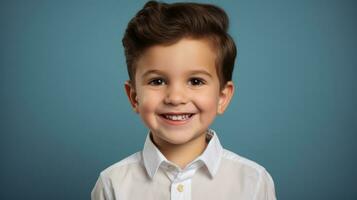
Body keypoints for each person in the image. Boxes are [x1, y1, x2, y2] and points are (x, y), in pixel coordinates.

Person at [91, 1, 276, 199]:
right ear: (134, 96)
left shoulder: (254, 181)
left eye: (195, 81)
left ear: (222, 97)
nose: (175, 98)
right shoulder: (112, 184)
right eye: (158, 81)